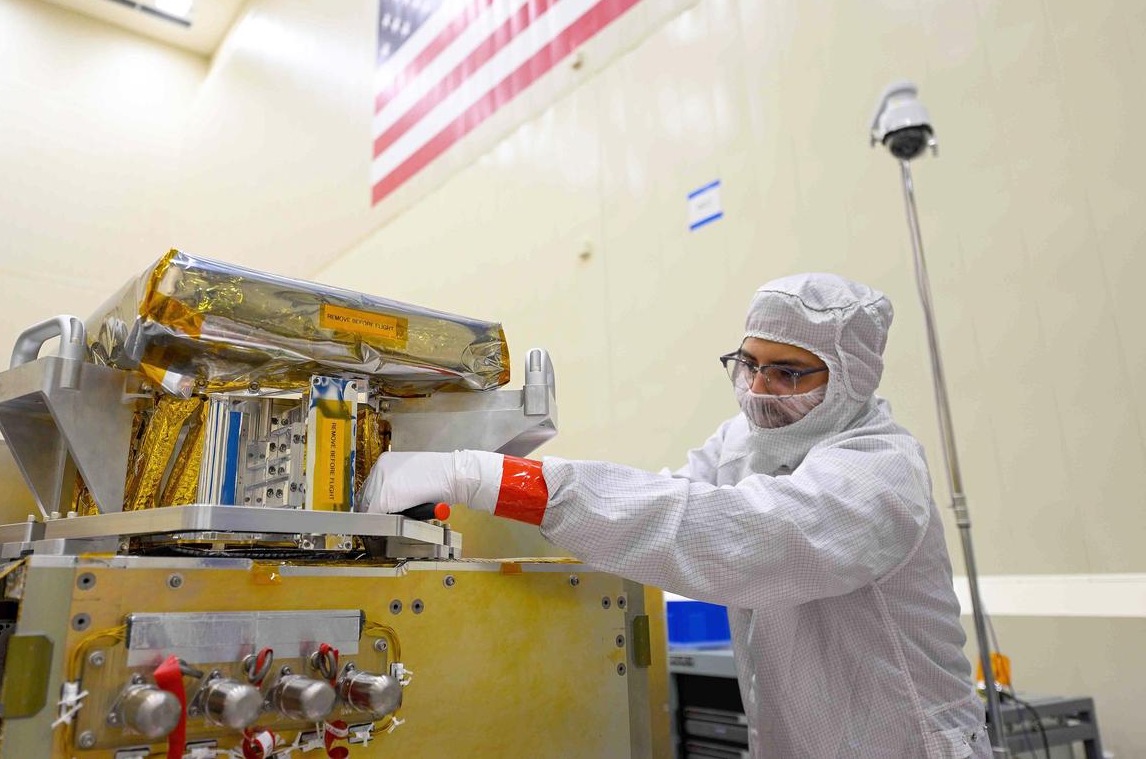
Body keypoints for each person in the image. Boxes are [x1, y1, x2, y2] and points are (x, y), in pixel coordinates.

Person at [361, 273, 989, 758]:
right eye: (747, 364)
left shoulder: (879, 472)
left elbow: (734, 537)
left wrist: (482, 475)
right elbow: (661, 508)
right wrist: (486, 507)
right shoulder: (744, 442)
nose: (757, 389)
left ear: (852, 377)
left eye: (788, 372)